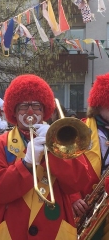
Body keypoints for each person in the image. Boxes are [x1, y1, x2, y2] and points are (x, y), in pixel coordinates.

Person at [0, 74, 96, 240]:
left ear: (45, 110)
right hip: (12, 230)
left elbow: (79, 181)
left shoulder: (63, 141)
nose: (30, 111)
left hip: (54, 230)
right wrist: (26, 164)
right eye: (23, 106)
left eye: (36, 106)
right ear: (13, 110)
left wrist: (55, 148)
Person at [71, 73, 109, 239]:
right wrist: (72, 198)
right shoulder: (79, 130)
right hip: (86, 208)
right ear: (99, 103)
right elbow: (64, 168)